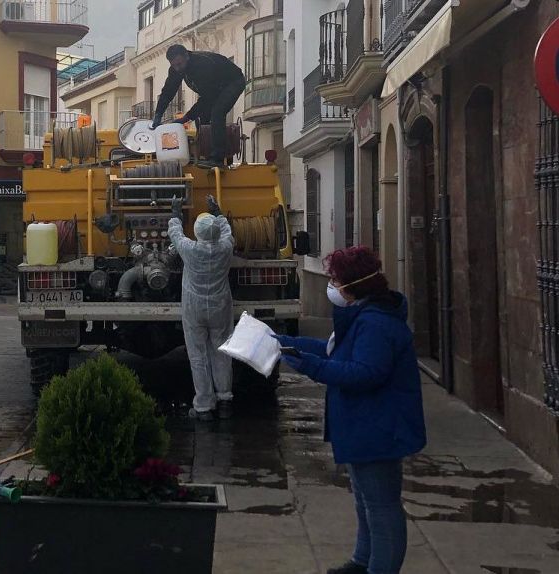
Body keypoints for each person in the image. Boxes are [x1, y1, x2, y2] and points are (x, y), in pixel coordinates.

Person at [274, 246, 426, 574]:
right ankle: (361, 561)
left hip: (379, 425)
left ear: (354, 284)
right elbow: (336, 351)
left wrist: (311, 366)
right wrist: (288, 344)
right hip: (363, 424)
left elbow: (365, 372)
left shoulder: (375, 323)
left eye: (336, 280)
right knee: (365, 500)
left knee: (382, 508)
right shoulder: (363, 314)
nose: (332, 286)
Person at [168, 195, 235, 421]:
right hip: (220, 308)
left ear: (197, 232)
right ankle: (225, 400)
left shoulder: (190, 250)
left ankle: (204, 406)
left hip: (194, 309)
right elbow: (226, 231)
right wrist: (217, 211)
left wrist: (176, 213)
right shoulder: (226, 247)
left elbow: (176, 234)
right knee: (222, 350)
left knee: (197, 355)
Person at [150, 44, 246, 165]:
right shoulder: (176, 69)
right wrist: (158, 114)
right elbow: (168, 92)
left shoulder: (202, 65)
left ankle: (218, 159)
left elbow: (208, 99)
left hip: (233, 82)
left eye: (179, 64)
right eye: (174, 65)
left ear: (186, 56)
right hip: (214, 89)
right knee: (203, 118)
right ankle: (206, 155)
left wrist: (187, 117)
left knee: (217, 112)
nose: (177, 68)